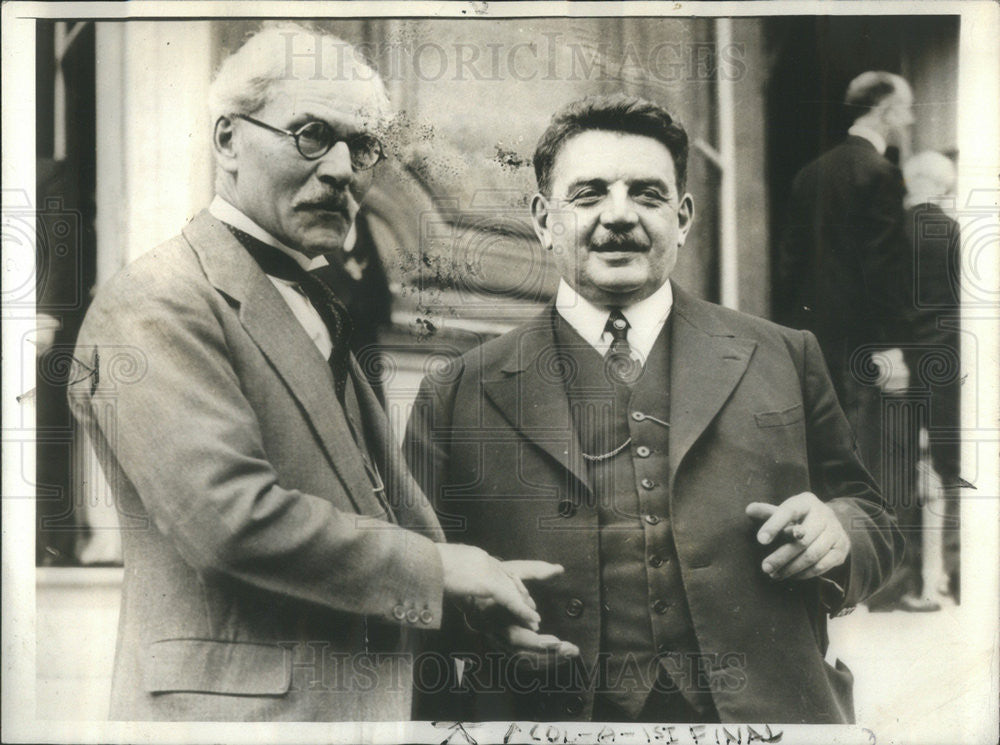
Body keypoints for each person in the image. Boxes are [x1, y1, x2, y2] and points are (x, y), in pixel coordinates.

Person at [67, 25, 557, 722]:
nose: (341, 170)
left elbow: (369, 511)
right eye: (309, 134)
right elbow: (230, 521)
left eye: (360, 147)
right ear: (228, 140)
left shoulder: (315, 301)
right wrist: (442, 570)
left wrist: (469, 603)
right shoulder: (158, 299)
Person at [405, 94, 904, 724]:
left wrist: (841, 533)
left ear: (684, 216)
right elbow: (410, 578)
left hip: (769, 718)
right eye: (588, 195)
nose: (620, 217)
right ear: (541, 218)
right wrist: (473, 622)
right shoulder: (457, 393)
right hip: (545, 720)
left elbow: (876, 522)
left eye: (647, 194)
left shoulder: (784, 355)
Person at [777, 71, 916, 483]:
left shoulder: (809, 174)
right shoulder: (881, 173)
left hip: (811, 347)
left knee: (820, 463)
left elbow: (789, 267)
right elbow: (883, 268)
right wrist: (890, 347)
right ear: (886, 111)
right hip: (865, 350)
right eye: (906, 111)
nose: (909, 122)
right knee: (868, 467)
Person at [870, 151, 963, 612]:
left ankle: (895, 584)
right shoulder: (953, 232)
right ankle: (955, 575)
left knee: (896, 469)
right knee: (954, 468)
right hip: (947, 361)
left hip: (899, 362)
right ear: (942, 185)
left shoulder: (887, 234)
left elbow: (878, 301)